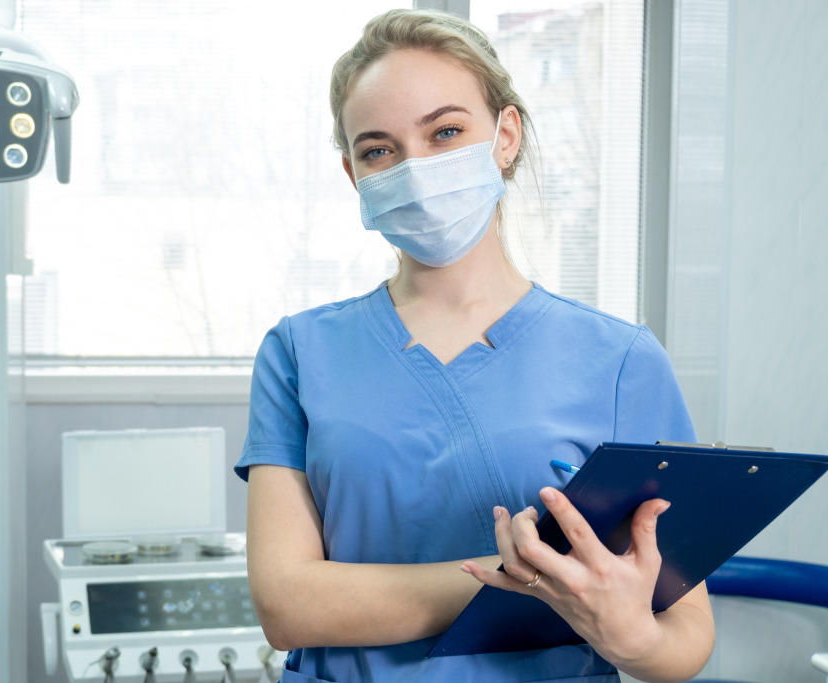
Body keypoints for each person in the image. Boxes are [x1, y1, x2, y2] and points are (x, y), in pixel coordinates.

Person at [234, 8, 715, 682]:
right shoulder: (297, 353)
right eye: (379, 149)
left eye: (446, 132)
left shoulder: (621, 361)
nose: (415, 166)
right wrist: (541, 580)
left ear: (506, 135)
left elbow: (687, 629)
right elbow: (288, 605)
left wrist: (632, 636)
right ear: (354, 176)